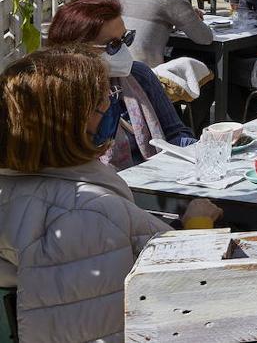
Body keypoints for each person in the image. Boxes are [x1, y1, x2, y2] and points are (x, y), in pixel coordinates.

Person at [0, 47, 221, 343]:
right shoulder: (84, 213)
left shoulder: (22, 187)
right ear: (72, 120)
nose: (109, 106)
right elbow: (188, 289)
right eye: (101, 101)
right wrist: (197, 227)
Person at [46, 0, 196, 170]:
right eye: (113, 45)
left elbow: (175, 133)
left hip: (154, 177)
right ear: (75, 50)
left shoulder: (138, 75)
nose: (124, 49)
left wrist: (208, 147)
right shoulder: (57, 94)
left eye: (126, 38)